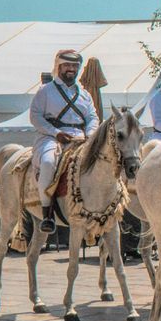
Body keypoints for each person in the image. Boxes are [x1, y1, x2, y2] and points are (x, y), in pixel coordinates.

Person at [30, 48, 98, 233]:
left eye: (75, 66)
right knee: (47, 162)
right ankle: (47, 213)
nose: (71, 69)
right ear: (58, 66)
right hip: (52, 137)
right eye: (67, 65)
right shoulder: (45, 91)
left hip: (80, 137)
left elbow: (92, 117)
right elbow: (35, 117)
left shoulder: (84, 94)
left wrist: (91, 134)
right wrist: (55, 132)